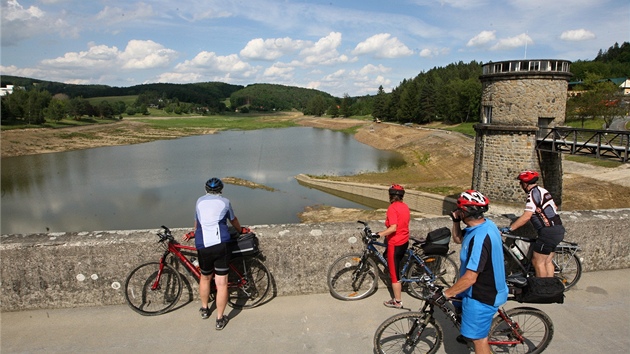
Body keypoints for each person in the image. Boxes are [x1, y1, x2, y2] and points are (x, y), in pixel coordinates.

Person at [438, 190, 508, 354]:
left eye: (458, 209)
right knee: (458, 304)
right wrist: (456, 221)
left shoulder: (480, 239)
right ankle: (467, 331)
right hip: (483, 289)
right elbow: (458, 239)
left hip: (482, 294)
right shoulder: (485, 225)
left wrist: (445, 294)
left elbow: (470, 278)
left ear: (465, 212)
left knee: (479, 341)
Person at [182, 177, 242, 330]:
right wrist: (241, 231)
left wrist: (193, 233)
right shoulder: (225, 202)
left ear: (206, 189)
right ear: (221, 189)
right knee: (221, 284)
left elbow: (197, 223)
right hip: (220, 244)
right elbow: (233, 220)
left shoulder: (199, 201)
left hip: (203, 244)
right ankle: (220, 319)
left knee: (205, 278)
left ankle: (204, 309)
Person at [501, 170, 565, 277]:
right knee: (547, 261)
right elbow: (554, 207)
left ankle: (542, 289)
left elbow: (526, 216)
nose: (520, 185)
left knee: (538, 262)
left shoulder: (532, 195)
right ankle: (550, 287)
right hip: (558, 229)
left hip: (547, 232)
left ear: (525, 184)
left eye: (521, 183)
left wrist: (510, 228)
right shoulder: (543, 191)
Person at [374, 184, 410, 309]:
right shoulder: (405, 207)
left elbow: (393, 227)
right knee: (394, 264)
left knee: (394, 274)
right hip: (404, 241)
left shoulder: (392, 208)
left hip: (395, 243)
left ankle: (398, 301)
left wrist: (379, 234)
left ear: (391, 196)